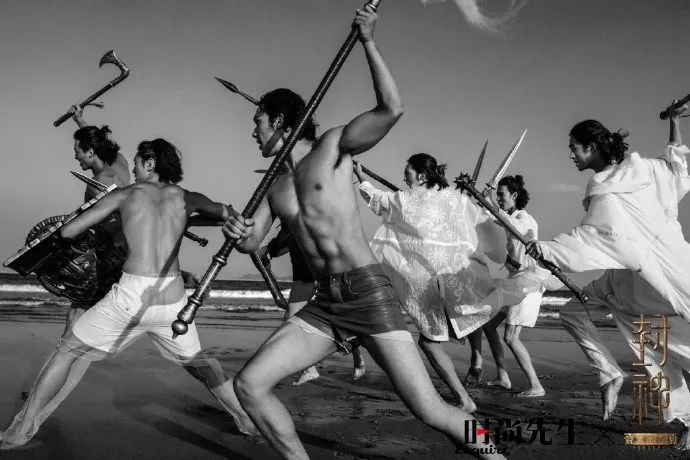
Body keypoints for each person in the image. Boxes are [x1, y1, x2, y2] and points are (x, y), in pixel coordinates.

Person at [223, 9, 506, 459]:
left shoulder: (333, 148)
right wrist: (238, 230)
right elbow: (252, 242)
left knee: (431, 410)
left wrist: (369, 42)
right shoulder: (274, 187)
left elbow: (392, 109)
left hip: (367, 293)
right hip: (325, 303)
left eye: (257, 120)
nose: (251, 131)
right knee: (249, 384)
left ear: (277, 121)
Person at [0, 138, 257, 450]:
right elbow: (231, 215)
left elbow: (68, 231)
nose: (133, 171)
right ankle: (246, 420)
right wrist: (212, 220)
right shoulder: (188, 198)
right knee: (200, 363)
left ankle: (20, 430)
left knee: (67, 351)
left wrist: (103, 213)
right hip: (173, 299)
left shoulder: (125, 195)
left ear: (150, 162)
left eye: (137, 164)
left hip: (131, 295)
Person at [526, 109, 690, 448]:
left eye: (574, 148)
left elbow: (592, 238)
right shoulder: (645, 169)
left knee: (668, 346)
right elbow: (676, 167)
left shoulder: (605, 189)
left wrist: (545, 249)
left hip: (644, 278)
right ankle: (610, 373)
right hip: (633, 273)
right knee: (573, 312)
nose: (570, 155)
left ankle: (675, 412)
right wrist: (675, 121)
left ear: (592, 147)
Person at [354, 155, 526, 411]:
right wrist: (500, 254)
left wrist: (361, 178)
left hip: (432, 286)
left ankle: (464, 398)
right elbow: (484, 223)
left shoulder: (406, 200)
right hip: (454, 281)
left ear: (422, 175)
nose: (404, 177)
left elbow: (379, 200)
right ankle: (467, 386)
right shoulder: (456, 199)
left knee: (429, 343)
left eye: (408, 173)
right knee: (434, 339)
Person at [466, 175, 546, 397]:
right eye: (498, 195)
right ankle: (503, 377)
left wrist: (489, 202)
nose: (499, 199)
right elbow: (492, 221)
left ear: (514, 195)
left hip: (529, 283)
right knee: (489, 326)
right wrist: (479, 201)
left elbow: (510, 224)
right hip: (514, 280)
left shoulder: (526, 220)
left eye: (502, 195)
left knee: (511, 337)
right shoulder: (510, 217)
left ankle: (536, 385)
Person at [258, 225, 366, 384]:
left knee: (336, 317)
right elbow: (280, 248)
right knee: (292, 317)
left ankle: (355, 357)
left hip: (321, 275)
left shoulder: (303, 223)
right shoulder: (289, 230)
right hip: (304, 278)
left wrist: (268, 248)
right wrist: (268, 250)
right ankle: (311, 369)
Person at [63, 105, 130, 335]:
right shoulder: (120, 162)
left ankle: (65, 349)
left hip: (114, 253)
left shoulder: (98, 186)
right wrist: (81, 121)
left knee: (77, 310)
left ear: (90, 152)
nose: (75, 156)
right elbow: (102, 143)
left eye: (77, 151)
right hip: (127, 247)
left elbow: (95, 220)